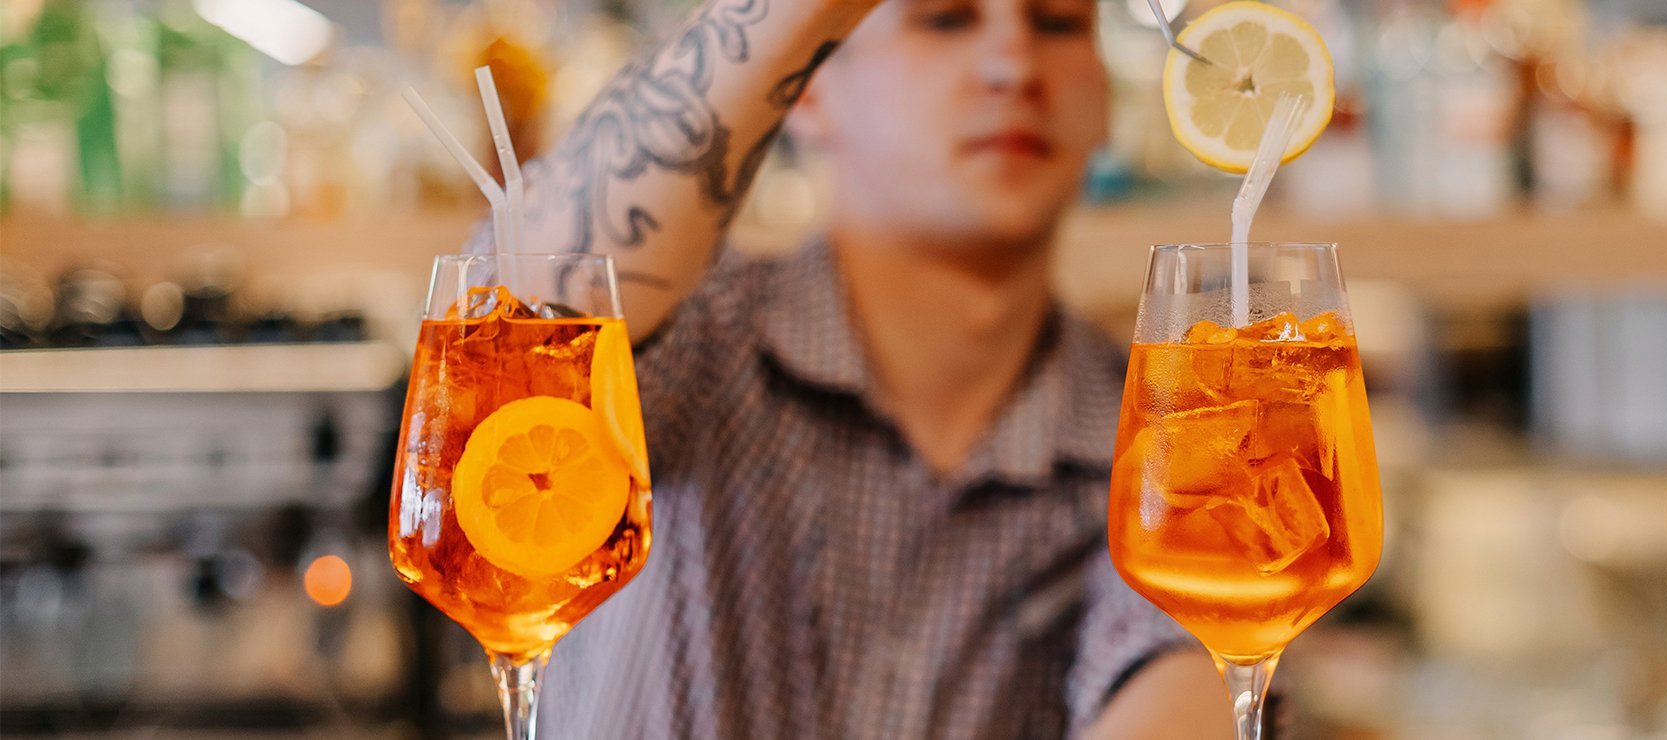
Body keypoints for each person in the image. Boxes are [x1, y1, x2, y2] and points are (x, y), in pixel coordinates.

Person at [486, 0, 1246, 735]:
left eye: (1057, 23)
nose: (1015, 65)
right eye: (944, 18)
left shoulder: (1161, 428)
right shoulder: (700, 338)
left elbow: (1191, 679)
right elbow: (514, 321)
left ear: (1104, 101)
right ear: (808, 87)